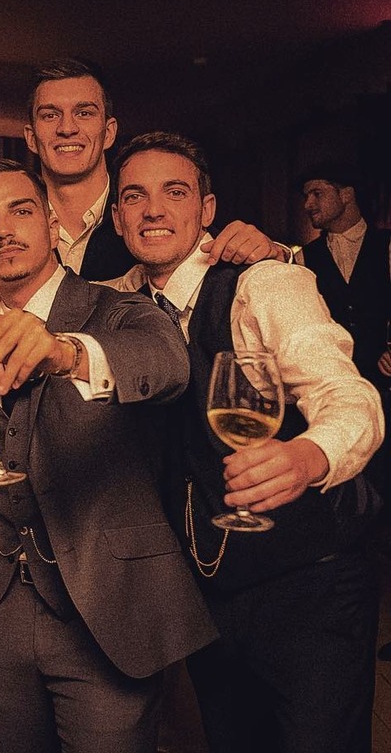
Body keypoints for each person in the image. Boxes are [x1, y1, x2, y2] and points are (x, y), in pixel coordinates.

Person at [112, 131, 384, 753]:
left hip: (310, 584)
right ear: (119, 217)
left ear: (206, 209)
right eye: (135, 196)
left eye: (174, 192)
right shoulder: (118, 302)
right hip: (205, 594)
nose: (153, 210)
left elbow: (350, 396)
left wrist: (307, 456)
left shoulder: (265, 283)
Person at [0, 159, 215, 753]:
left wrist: (65, 352)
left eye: (21, 211)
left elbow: (166, 364)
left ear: (51, 224)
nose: (4, 230)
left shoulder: (118, 307)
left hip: (105, 607)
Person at [0, 58, 283, 319]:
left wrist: (275, 253)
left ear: (109, 131)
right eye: (50, 115)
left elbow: (214, 256)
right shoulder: (6, 227)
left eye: (84, 113)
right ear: (31, 137)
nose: (67, 128)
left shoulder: (145, 215)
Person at [300, 166, 391, 495]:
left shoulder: (386, 244)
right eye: (306, 196)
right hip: (329, 389)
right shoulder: (304, 257)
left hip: (384, 384)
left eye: (317, 193)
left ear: (347, 194)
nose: (308, 204)